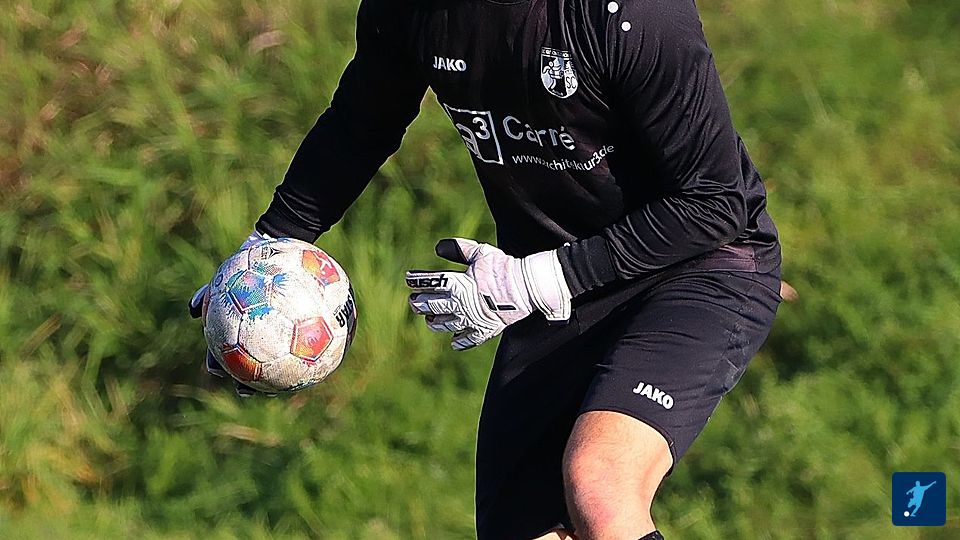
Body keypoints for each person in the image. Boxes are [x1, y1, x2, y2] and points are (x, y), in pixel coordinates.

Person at [192, 1, 787, 538]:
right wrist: (267, 246)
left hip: (699, 265)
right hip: (556, 288)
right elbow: (360, 124)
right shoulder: (407, 11)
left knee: (600, 487)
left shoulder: (630, 14)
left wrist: (538, 280)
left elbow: (715, 202)